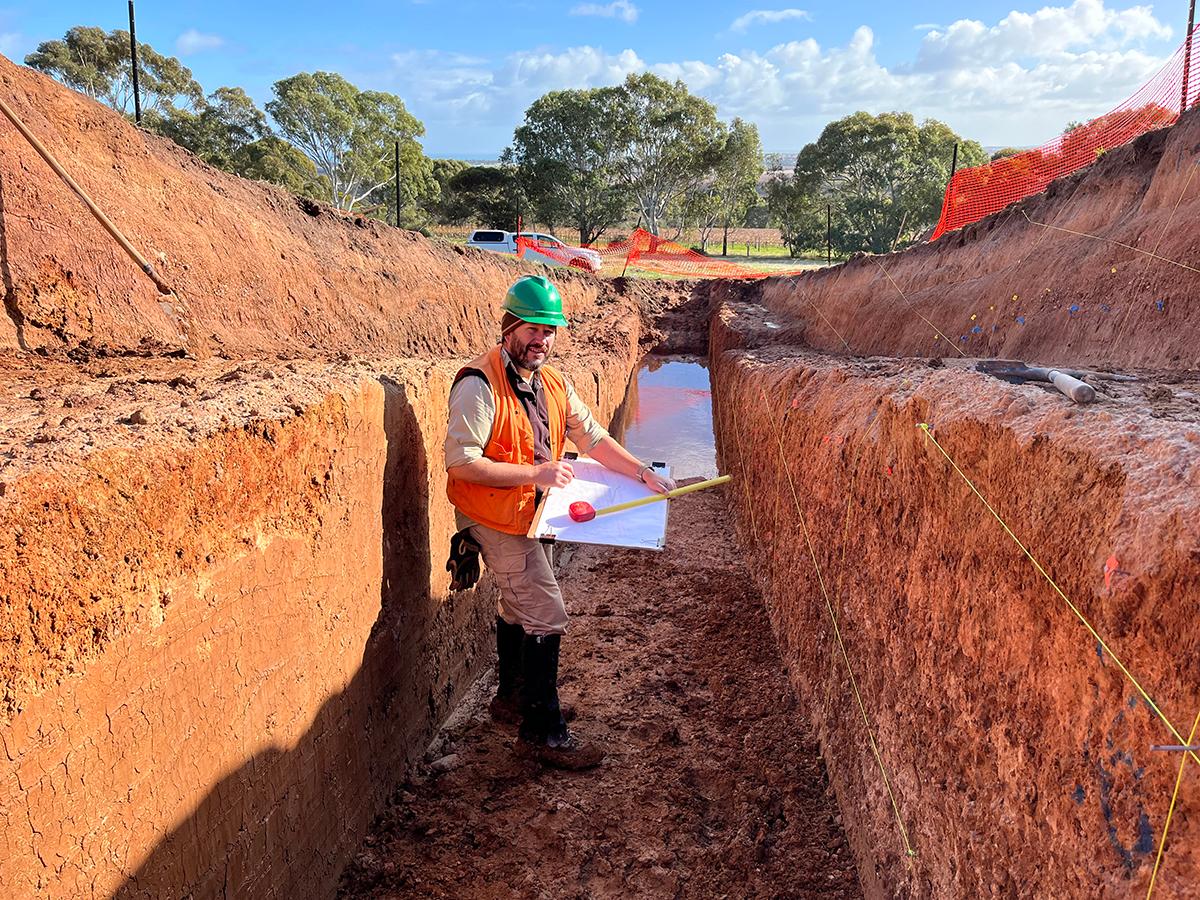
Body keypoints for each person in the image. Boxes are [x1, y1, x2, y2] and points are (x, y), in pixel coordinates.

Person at [444, 274, 675, 769]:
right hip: (493, 516)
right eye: (533, 329)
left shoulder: (552, 382)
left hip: (534, 511)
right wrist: (537, 472)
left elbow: (592, 439)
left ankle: (511, 700)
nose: (541, 340)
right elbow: (461, 463)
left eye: (549, 331)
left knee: (516, 606)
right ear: (509, 328)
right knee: (546, 612)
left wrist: (639, 473)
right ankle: (542, 732)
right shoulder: (478, 385)